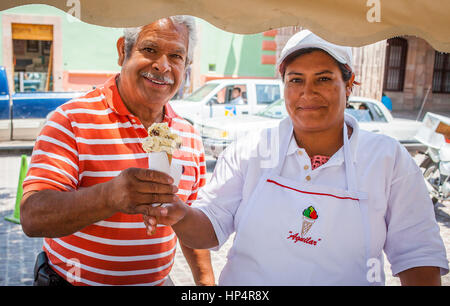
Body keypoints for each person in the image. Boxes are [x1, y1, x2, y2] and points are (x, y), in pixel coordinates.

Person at [143, 30, 449, 285]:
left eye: (324, 79)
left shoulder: (387, 159)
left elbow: (418, 259)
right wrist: (180, 214)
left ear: (349, 84)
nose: (307, 92)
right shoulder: (250, 150)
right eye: (296, 80)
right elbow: (210, 227)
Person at [20, 16, 215, 286]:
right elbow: (32, 217)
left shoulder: (188, 135)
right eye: (150, 50)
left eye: (176, 56)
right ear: (123, 50)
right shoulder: (71, 120)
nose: (162, 65)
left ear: (186, 65)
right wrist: (110, 196)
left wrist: (205, 283)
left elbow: (190, 223)